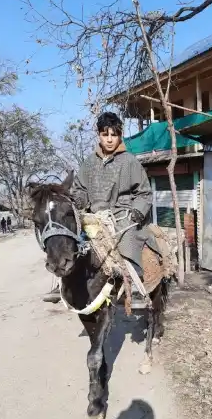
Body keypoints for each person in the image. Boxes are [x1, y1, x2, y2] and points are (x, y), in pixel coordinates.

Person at [43, 111, 153, 304]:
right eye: (105, 134)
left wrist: (137, 210)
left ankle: (135, 283)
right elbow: (79, 189)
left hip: (122, 214)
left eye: (114, 134)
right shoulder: (89, 163)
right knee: (69, 236)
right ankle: (62, 278)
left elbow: (144, 193)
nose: (109, 139)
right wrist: (78, 201)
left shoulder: (130, 162)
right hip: (93, 214)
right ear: (99, 135)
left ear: (120, 135)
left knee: (127, 239)